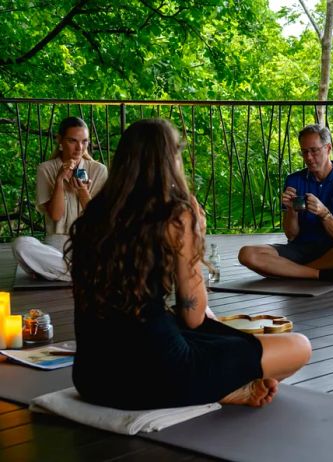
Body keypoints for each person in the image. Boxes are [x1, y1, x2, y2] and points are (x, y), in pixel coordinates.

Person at [68, 119, 311, 410]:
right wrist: (195, 235)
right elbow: (193, 316)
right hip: (160, 377)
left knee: (212, 334)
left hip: (93, 378)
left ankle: (225, 388)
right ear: (170, 159)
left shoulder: (93, 215)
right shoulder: (175, 215)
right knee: (298, 346)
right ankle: (219, 387)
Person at [238, 124, 333, 283]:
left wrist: (324, 213)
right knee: (247, 254)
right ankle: (318, 273)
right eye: (304, 152)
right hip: (299, 249)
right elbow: (291, 234)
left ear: (328, 148)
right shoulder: (294, 180)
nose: (309, 157)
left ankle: (292, 271)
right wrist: (291, 210)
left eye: (314, 150)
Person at [12, 116, 107, 281]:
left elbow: (99, 218)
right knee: (20, 244)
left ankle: (56, 271)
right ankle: (81, 273)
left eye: (84, 142)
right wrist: (59, 182)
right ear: (60, 141)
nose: (79, 148)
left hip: (88, 242)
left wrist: (83, 192)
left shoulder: (98, 170)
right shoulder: (46, 169)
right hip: (57, 244)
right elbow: (56, 216)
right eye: (72, 141)